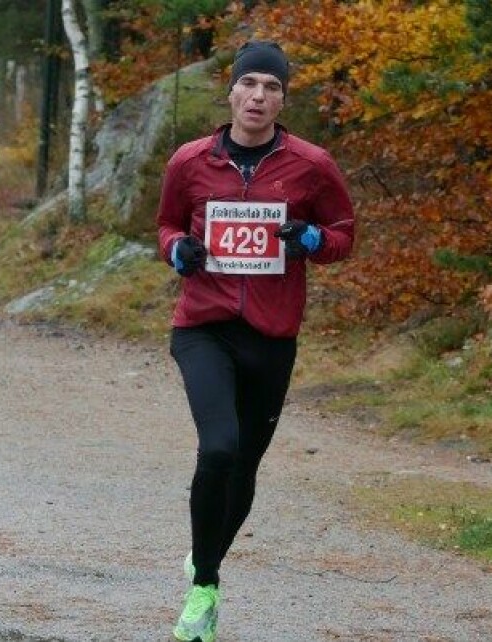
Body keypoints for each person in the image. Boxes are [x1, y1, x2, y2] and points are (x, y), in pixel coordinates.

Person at [155, 40, 354, 642]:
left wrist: (313, 240)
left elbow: (344, 234)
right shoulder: (190, 161)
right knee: (218, 447)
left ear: (283, 99)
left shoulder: (312, 164)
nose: (259, 97)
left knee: (244, 467)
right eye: (250, 85)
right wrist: (176, 250)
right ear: (232, 91)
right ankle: (204, 587)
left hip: (271, 336)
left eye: (272, 87)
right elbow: (166, 224)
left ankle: (205, 554)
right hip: (204, 327)